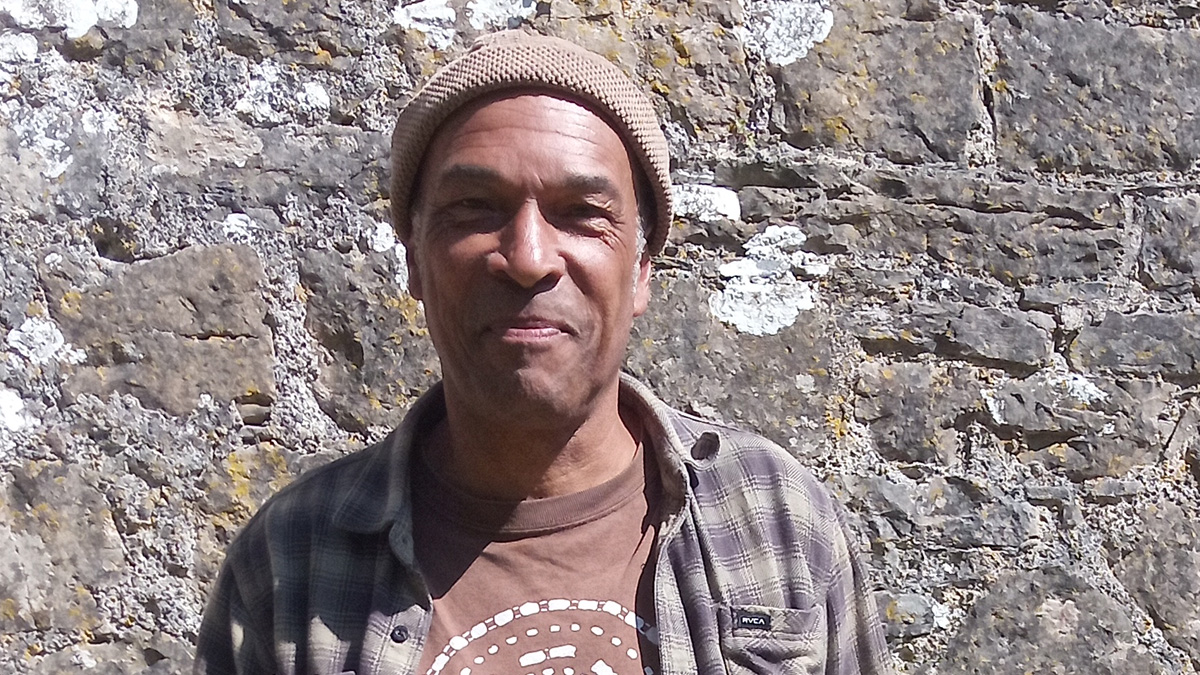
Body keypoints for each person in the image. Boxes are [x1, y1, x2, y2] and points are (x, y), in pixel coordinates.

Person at [195, 30, 893, 675]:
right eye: (475, 209)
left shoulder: (777, 520)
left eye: (582, 214)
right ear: (413, 260)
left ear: (642, 268)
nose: (528, 258)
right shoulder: (292, 562)